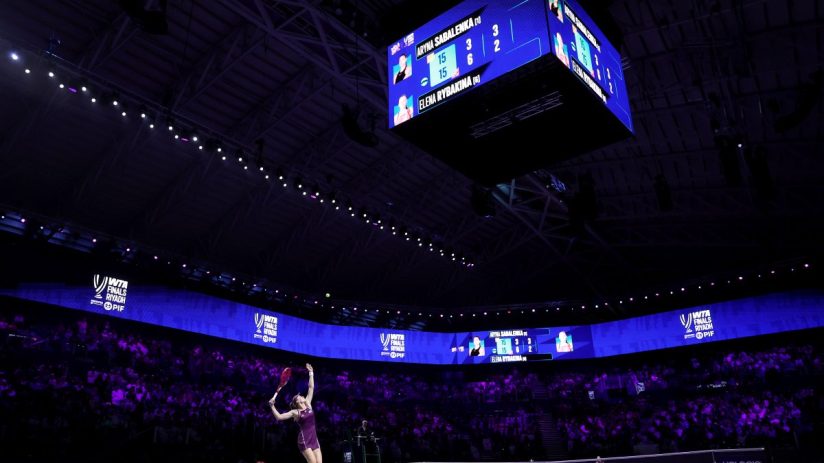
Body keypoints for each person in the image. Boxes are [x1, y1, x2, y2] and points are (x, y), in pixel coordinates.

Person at [269, 363, 322, 463]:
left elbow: (311, 388)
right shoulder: (295, 412)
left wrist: (311, 373)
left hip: (314, 439)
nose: (302, 396)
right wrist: (272, 406)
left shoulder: (308, 404)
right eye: (300, 396)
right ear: (297, 401)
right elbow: (279, 417)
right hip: (304, 439)